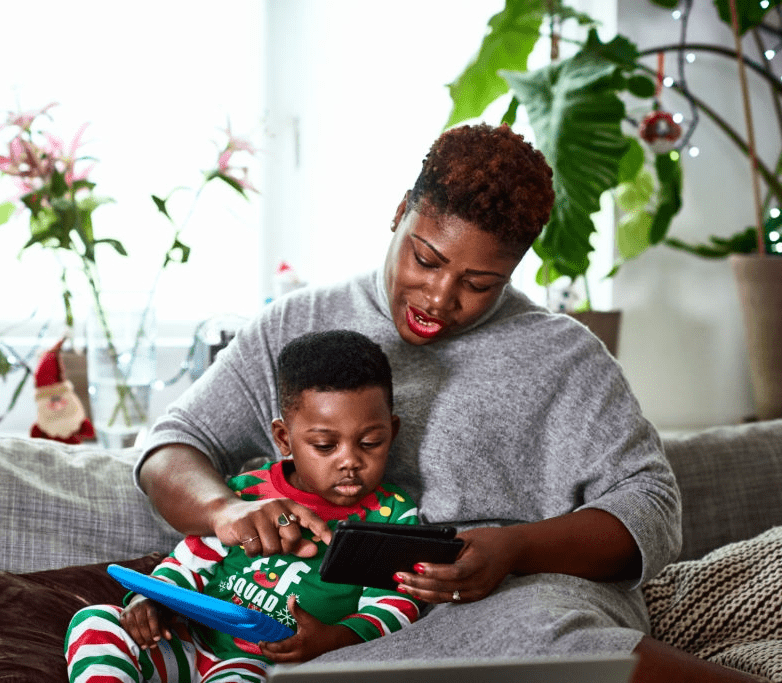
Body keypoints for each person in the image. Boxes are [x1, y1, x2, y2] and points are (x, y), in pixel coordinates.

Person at [135, 123, 762, 682]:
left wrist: (515, 549)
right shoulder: (296, 324)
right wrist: (223, 509)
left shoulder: (564, 355)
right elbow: (171, 447)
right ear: (401, 212)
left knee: (537, 632)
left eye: (478, 283)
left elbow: (650, 512)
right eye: (426, 259)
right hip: (340, 622)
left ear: (513, 270)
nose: (439, 296)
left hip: (518, 603)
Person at [66, 330, 421, 682]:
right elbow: (189, 562)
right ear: (284, 438)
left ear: (392, 431)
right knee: (96, 621)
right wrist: (153, 602)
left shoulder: (392, 517)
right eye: (325, 446)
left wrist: (334, 638)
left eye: (371, 442)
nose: (350, 461)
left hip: (256, 663)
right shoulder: (247, 492)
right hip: (186, 641)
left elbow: (394, 604)